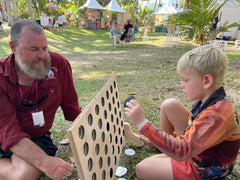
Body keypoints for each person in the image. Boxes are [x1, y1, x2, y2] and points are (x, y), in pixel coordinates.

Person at [124, 45, 240, 180]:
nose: (181, 85)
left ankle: (169, 148)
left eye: (186, 80)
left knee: (142, 168)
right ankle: (166, 147)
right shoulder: (210, 100)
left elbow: (183, 150)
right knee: (170, 105)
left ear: (206, 81)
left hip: (205, 170)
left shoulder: (216, 116)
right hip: (197, 150)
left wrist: (141, 123)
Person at [0, 19, 82, 180]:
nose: (43, 56)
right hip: (4, 130)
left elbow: (73, 110)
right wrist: (44, 162)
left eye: (45, 48)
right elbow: (8, 129)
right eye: (34, 49)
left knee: (23, 175)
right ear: (13, 47)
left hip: (35, 137)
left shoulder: (58, 64)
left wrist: (106, 126)